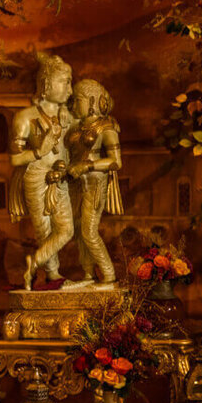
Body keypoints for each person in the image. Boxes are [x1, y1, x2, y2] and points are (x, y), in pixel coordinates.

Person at [8, 55, 75, 289]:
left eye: (70, 82)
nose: (70, 88)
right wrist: (40, 151)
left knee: (66, 230)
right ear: (46, 85)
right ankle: (53, 274)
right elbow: (15, 158)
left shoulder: (67, 116)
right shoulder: (25, 118)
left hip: (59, 177)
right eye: (65, 82)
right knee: (44, 230)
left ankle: (34, 262)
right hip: (36, 175)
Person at [66, 79, 124, 287]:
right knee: (78, 228)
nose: (74, 106)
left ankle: (108, 274)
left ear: (92, 100)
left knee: (89, 230)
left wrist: (88, 166)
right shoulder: (78, 127)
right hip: (77, 183)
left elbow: (116, 162)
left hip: (95, 182)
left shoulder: (106, 127)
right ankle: (88, 274)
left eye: (77, 100)